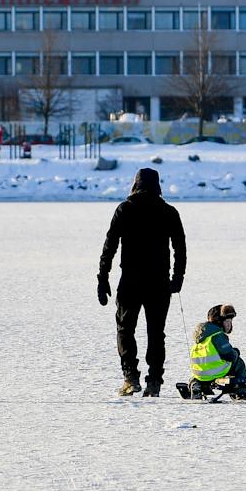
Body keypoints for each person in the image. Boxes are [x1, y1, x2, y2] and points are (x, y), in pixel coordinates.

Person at [98, 167, 187, 397]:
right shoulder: (168, 212)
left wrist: (103, 278)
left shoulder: (125, 209)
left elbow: (109, 247)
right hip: (159, 283)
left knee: (125, 329)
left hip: (131, 281)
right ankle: (154, 381)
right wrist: (177, 278)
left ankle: (130, 378)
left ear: (135, 183)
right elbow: (180, 249)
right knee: (156, 332)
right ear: (158, 186)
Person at [178, 303, 246, 401]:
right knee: (238, 362)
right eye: (227, 321)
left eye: (230, 321)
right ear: (219, 321)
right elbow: (229, 355)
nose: (229, 324)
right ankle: (241, 391)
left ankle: (196, 384)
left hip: (199, 374)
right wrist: (235, 352)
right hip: (217, 371)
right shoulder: (217, 336)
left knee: (206, 373)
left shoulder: (202, 337)